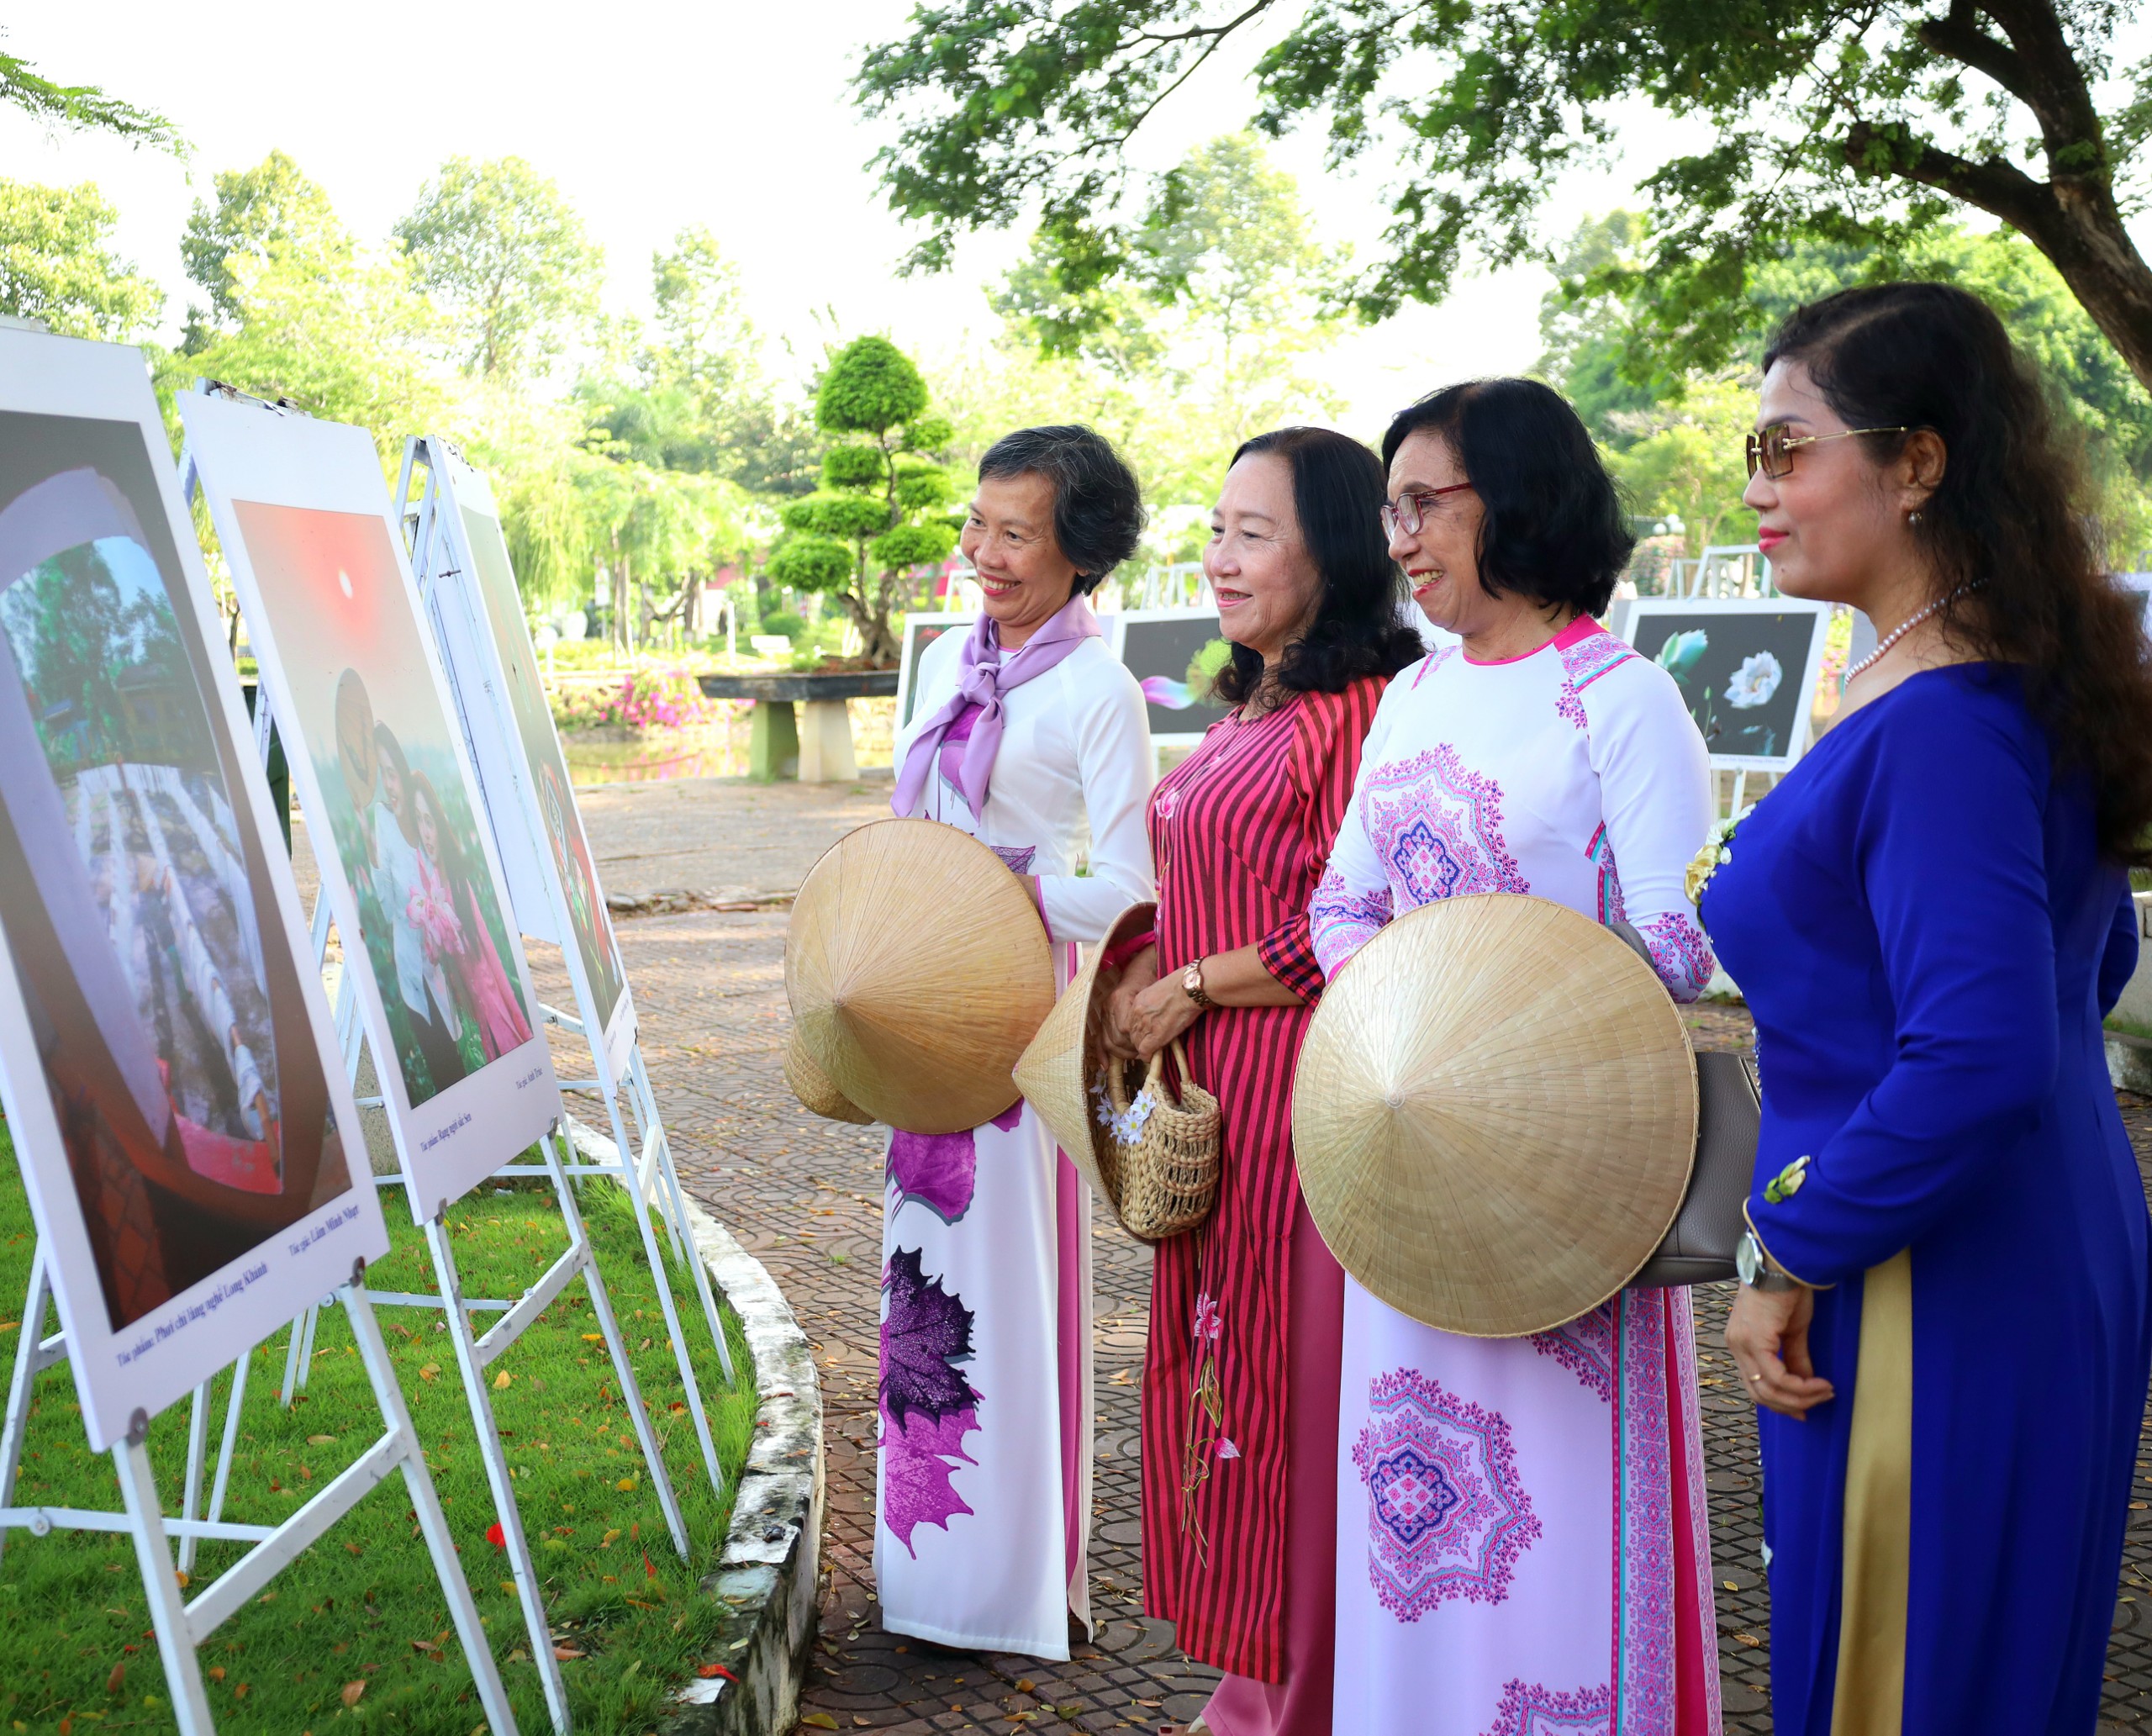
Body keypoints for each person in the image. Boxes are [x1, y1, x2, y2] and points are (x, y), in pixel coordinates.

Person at [1712, 282, 2152, 1733]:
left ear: (1918, 462)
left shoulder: (1945, 724)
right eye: (1754, 456)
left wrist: (1790, 1244)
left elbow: (1978, 1053)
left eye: (1789, 450)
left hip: (1925, 1269)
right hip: (2011, 1235)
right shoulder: (1988, 686)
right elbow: (2074, 984)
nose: (1759, 492)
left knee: (1907, 1685)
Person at [1306, 379, 1722, 1733]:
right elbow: (1339, 903)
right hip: (1410, 1169)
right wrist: (1414, 1039)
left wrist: (1506, 1023)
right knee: (1407, 1522)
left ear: (1521, 499)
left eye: (1427, 504)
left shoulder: (1620, 696)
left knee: (1562, 1528)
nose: (1403, 540)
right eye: (1392, 511)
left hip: (1567, 1178)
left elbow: (1677, 938)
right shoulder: (1414, 694)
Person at [1107, 426, 1424, 1736]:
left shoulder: (1360, 713)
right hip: (1212, 1094)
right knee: (1223, 1380)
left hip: (1303, 1085)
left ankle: (1308, 1696)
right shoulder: (1257, 698)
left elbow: (1365, 917)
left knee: (1296, 1396)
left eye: (1254, 532)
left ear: (1335, 549)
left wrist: (1194, 984)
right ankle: (1260, 1678)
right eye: (1216, 527)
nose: (1219, 557)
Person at [878, 425, 1155, 1658]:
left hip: (1021, 1020)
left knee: (1011, 1281)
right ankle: (925, 1574)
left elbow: (1140, 887)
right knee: (919, 1285)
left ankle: (1019, 1585)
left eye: (1015, 532)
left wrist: (1011, 884)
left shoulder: (1098, 690)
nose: (983, 553)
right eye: (975, 524)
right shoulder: (942, 656)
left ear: (1081, 550)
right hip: (919, 1009)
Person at [366, 723, 466, 1098]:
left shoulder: (422, 817)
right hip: (413, 971)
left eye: (392, 773)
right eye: (382, 776)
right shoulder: (383, 821)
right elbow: (389, 907)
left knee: (456, 1059)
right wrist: (375, 861)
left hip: (441, 963)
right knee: (441, 1067)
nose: (390, 785)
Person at [406, 771, 531, 1063]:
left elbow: (488, 966)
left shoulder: (457, 884)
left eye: (429, 821)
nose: (425, 832)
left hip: (488, 1012)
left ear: (438, 824)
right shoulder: (425, 880)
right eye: (418, 820)